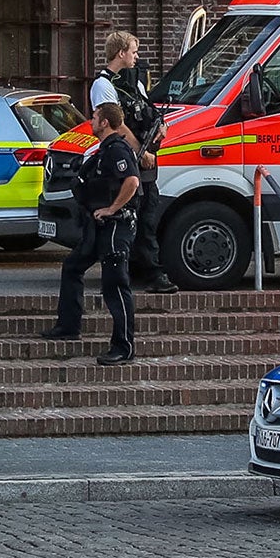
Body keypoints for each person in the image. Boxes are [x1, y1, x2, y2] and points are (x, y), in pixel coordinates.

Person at [40, 103, 140, 364]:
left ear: (105, 122)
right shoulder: (103, 150)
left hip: (115, 225)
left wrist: (111, 208)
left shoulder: (117, 149)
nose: (92, 121)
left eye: (95, 117)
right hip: (98, 225)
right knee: (73, 266)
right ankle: (68, 326)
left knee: (115, 285)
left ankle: (124, 346)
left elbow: (132, 181)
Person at [88, 31, 179, 295]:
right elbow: (116, 124)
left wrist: (161, 126)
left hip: (144, 159)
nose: (136, 57)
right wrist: (141, 151)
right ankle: (149, 273)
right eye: (134, 52)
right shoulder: (103, 85)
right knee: (132, 217)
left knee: (147, 215)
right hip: (126, 160)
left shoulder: (133, 83)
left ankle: (143, 269)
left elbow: (147, 110)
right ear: (121, 53)